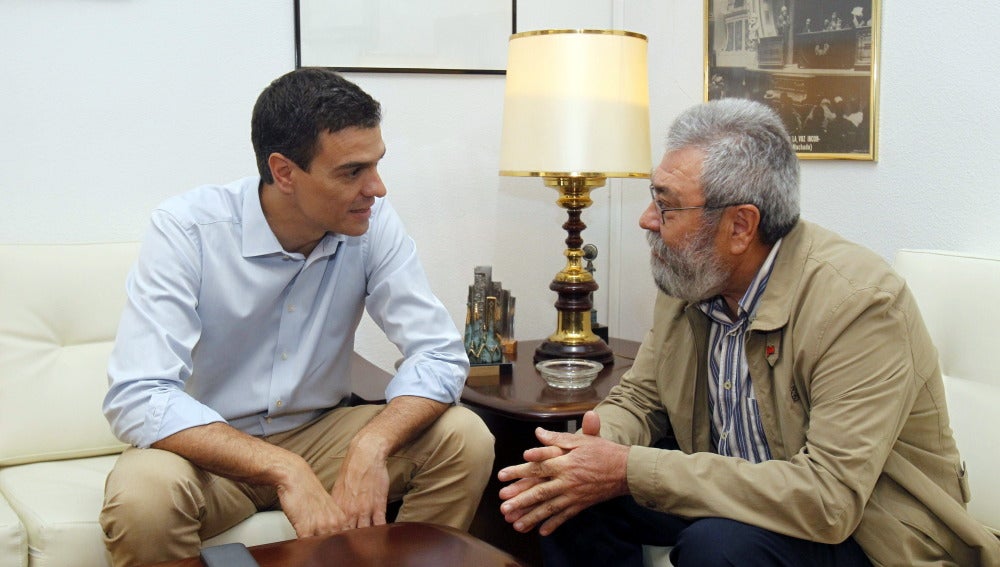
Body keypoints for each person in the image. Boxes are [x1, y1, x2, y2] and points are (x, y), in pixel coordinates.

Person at [496, 98, 1000, 566]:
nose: (649, 220)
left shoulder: (860, 305)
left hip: (869, 533)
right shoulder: (690, 274)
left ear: (740, 227)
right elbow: (640, 400)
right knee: (557, 499)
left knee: (718, 547)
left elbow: (828, 500)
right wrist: (586, 453)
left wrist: (627, 468)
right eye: (655, 198)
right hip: (737, 490)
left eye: (668, 206)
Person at [100, 68, 494, 567]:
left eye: (376, 164)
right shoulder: (188, 231)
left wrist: (372, 443)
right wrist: (284, 468)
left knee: (464, 437)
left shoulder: (371, 224)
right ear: (284, 172)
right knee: (142, 498)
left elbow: (438, 353)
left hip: (321, 432)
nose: (377, 188)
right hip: (207, 453)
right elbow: (137, 395)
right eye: (352, 172)